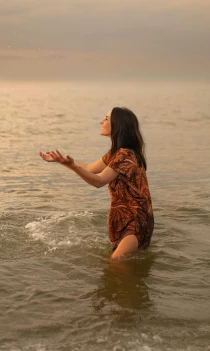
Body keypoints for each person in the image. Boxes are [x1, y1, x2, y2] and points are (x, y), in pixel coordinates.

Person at [39, 107, 154, 260]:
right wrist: (62, 161)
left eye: (106, 119)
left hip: (135, 220)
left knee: (116, 262)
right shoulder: (115, 153)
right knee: (123, 263)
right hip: (123, 218)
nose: (101, 122)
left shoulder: (125, 155)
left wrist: (71, 166)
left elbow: (99, 181)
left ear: (117, 125)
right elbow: (89, 168)